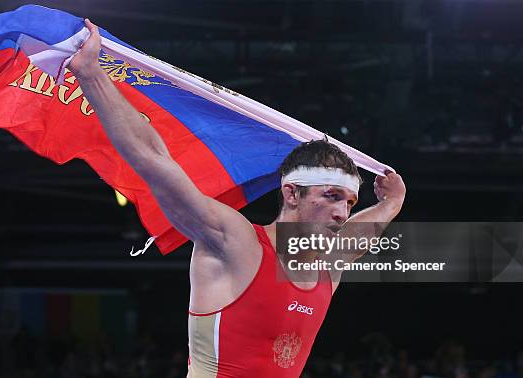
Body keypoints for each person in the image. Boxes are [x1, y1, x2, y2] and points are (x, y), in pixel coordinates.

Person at [69, 19, 406, 378]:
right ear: (291, 193)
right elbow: (153, 160)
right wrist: (91, 76)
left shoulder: (327, 266)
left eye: (349, 203)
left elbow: (360, 236)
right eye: (332, 196)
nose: (341, 213)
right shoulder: (235, 241)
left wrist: (391, 203)